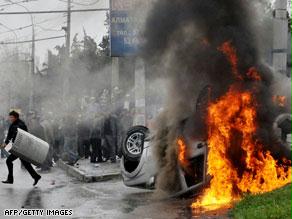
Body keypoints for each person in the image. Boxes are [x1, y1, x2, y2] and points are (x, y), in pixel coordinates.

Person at [1, 111, 41, 185]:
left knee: (9, 161)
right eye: (10, 117)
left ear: (16, 117)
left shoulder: (20, 124)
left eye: (11, 117)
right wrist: (5, 143)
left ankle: (10, 179)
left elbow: (23, 135)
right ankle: (36, 176)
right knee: (26, 163)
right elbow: (9, 135)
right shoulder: (13, 124)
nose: (10, 118)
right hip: (17, 146)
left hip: (21, 147)